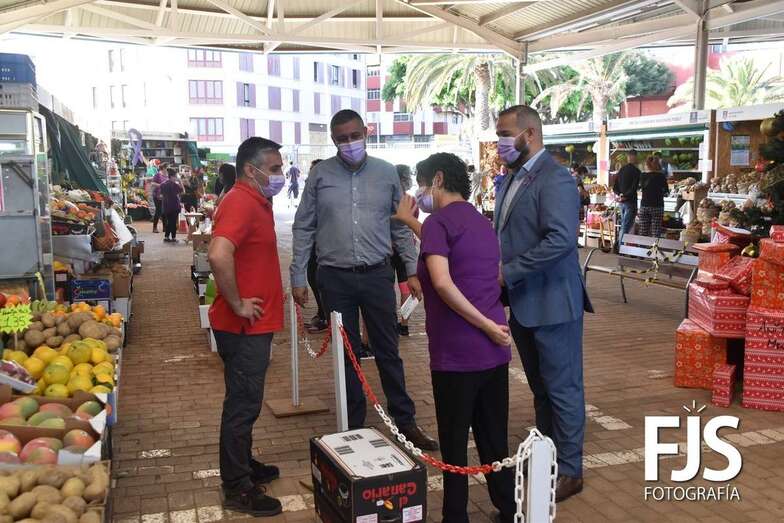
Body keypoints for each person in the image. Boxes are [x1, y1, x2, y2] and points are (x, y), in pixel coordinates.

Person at [290, 109, 438, 450]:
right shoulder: (320, 175)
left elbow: (400, 226)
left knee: (388, 351)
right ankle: (351, 423)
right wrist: (298, 276)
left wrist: (412, 270)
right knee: (346, 354)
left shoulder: (386, 174)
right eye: (342, 139)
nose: (349, 143)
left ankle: (405, 420)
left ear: (365, 134)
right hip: (334, 278)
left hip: (376, 276)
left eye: (354, 136)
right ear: (333, 140)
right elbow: (304, 226)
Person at [394, 153, 516, 523]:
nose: (419, 191)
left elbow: (443, 283)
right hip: (494, 351)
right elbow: (446, 254)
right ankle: (508, 507)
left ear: (438, 179)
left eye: (422, 183)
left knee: (454, 443)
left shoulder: (438, 222)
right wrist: (411, 222)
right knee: (494, 439)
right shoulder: (479, 221)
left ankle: (455, 516)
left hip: (457, 353)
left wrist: (484, 325)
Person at [495, 105, 593, 503]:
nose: (500, 142)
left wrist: (508, 272)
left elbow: (560, 240)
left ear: (530, 134)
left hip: (553, 302)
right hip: (524, 303)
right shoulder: (512, 178)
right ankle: (547, 456)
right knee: (541, 388)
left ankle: (570, 469)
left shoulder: (556, 179)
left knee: (563, 388)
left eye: (505, 134)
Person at [207, 137, 287, 517]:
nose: (280, 175)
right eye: (274, 169)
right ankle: (237, 485)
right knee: (242, 404)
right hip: (242, 327)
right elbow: (218, 253)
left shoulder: (256, 201)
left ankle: (242, 463)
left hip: (252, 325)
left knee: (246, 401)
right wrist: (238, 303)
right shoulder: (240, 201)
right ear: (251, 170)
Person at [305, 159, 328, 333]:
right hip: (313, 243)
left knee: (322, 281)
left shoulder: (329, 193)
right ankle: (322, 312)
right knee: (312, 277)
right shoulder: (312, 192)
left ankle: (326, 317)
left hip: (326, 246)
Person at [393, 164, 415, 336]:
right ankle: (404, 324)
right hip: (406, 248)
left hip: (386, 249)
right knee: (405, 287)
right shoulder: (410, 200)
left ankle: (390, 321)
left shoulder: (385, 198)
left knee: (386, 287)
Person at [612, 149, 641, 245]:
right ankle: (619, 247)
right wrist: (625, 196)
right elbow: (634, 187)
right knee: (626, 226)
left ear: (628, 157)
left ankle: (619, 244)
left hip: (622, 202)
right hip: (630, 202)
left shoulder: (621, 170)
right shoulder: (636, 171)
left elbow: (615, 187)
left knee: (624, 225)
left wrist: (620, 195)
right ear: (634, 157)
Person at [638, 156, 669, 238]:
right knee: (656, 232)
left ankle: (642, 245)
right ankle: (654, 246)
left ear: (647, 165)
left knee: (643, 231)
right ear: (658, 164)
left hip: (644, 205)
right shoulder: (661, 176)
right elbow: (666, 192)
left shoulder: (643, 176)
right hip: (657, 206)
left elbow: (639, 188)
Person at [159, 168, 183, 243]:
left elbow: (160, 195)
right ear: (172, 176)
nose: (176, 178)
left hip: (166, 206)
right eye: (176, 176)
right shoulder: (175, 185)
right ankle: (173, 237)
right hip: (174, 205)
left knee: (169, 221)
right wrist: (180, 181)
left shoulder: (163, 184)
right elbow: (183, 191)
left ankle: (166, 236)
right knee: (173, 222)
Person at [151, 162, 168, 233]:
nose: (168, 169)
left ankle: (165, 227)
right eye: (167, 168)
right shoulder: (158, 175)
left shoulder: (167, 175)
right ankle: (154, 227)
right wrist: (160, 185)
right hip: (157, 195)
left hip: (165, 196)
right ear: (164, 168)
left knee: (164, 211)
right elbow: (152, 183)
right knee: (158, 211)